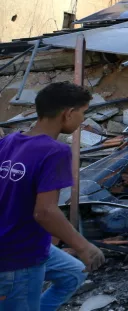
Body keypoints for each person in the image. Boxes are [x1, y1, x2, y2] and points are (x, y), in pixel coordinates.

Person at [0, 82, 105, 310]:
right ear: (68, 113)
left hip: (21, 243)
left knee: (72, 273)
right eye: (82, 113)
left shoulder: (8, 142)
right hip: (19, 255)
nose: (82, 121)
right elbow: (45, 212)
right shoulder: (55, 151)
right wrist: (83, 246)